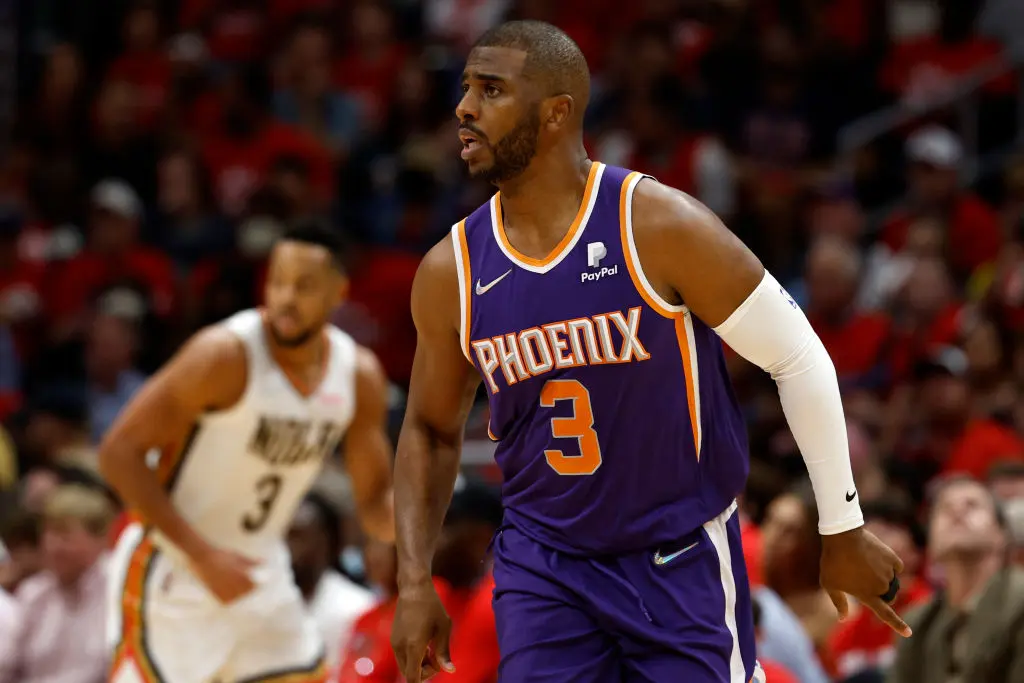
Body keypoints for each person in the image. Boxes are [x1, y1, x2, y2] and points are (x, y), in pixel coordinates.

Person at [390, 20, 909, 683]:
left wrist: (841, 525)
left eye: (490, 90)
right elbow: (431, 429)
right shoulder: (451, 271)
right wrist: (412, 582)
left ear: (556, 114)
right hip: (544, 566)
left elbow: (798, 356)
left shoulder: (658, 224)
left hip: (677, 553)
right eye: (466, 88)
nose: (464, 107)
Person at [99, 221, 394, 683]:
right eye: (277, 281)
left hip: (261, 566)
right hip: (175, 566)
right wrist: (202, 555)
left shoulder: (357, 375)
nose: (285, 298)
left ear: (339, 293)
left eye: (304, 286)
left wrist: (421, 522)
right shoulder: (222, 356)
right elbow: (118, 454)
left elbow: (376, 504)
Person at [887, 476, 1024, 682]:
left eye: (972, 505)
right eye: (945, 508)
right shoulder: (916, 623)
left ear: (1001, 535)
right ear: (931, 543)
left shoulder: (1019, 601)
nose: (957, 512)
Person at [287, 493, 375, 673]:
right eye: (283, 536)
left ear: (328, 542)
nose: (287, 547)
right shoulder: (263, 603)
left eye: (297, 536)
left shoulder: (358, 608)